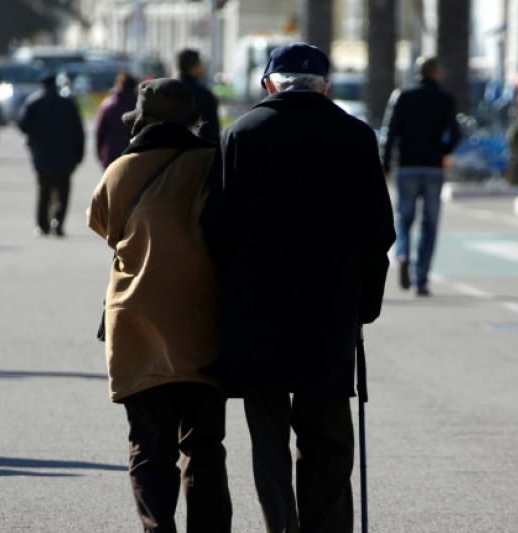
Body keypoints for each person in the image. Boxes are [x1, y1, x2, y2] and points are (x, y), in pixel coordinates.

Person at [201, 42, 394, 532]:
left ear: (270, 83)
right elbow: (379, 233)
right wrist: (363, 306)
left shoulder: (240, 134)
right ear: (324, 86)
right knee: (327, 436)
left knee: (269, 438)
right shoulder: (355, 137)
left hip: (257, 310)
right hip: (329, 312)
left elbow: (214, 228)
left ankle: (280, 527)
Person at [87, 78, 231, 532]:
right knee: (205, 445)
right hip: (204, 320)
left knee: (150, 446)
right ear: (193, 119)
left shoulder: (118, 171)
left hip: (138, 322)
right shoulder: (216, 165)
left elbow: (106, 228)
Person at [379, 56, 461, 296]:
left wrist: (385, 164)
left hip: (407, 166)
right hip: (434, 167)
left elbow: (389, 131)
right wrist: (443, 151)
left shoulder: (402, 96)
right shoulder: (446, 99)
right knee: (430, 224)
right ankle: (421, 279)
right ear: (437, 73)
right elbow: (455, 133)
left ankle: (403, 254)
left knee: (404, 219)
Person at [17, 71, 85, 237]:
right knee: (62, 191)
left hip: (42, 154)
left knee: (43, 190)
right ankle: (58, 223)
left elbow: (22, 124)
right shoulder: (68, 103)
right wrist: (79, 154)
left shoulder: (34, 102)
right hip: (65, 155)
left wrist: (34, 135)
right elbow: (79, 131)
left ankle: (42, 225)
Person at [93, 71, 138, 169]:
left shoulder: (108, 105)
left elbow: (100, 132)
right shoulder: (139, 106)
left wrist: (100, 154)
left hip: (111, 156)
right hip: (134, 157)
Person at [176, 49, 220, 143]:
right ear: (193, 67)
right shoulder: (204, 96)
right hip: (201, 152)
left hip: (172, 152)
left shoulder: (170, 92)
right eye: (199, 64)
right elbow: (212, 131)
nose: (202, 67)